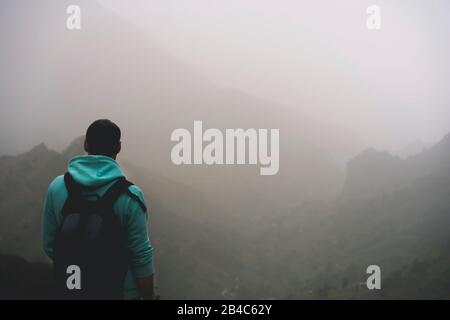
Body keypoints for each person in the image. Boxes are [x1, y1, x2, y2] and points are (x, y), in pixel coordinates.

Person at [42, 119, 154, 299]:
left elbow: (49, 244)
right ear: (118, 147)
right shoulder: (130, 197)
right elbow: (141, 256)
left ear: (86, 144)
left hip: (70, 289)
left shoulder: (57, 187)